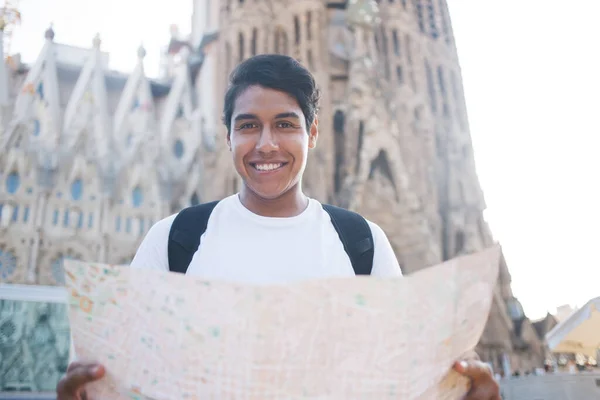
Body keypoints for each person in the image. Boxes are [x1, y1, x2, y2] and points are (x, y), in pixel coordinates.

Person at [56, 54, 500, 399]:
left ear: (312, 134)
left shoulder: (362, 243)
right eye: (248, 126)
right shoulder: (175, 238)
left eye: (285, 124)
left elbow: (400, 376)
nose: (265, 144)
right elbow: (131, 369)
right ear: (227, 136)